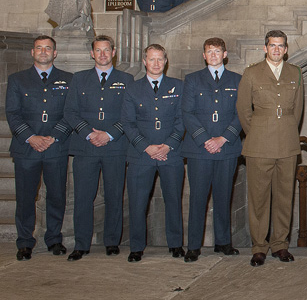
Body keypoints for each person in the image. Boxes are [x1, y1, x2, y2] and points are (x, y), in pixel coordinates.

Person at [62, 35, 133, 261]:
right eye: (98, 50)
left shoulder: (127, 79)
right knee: (83, 197)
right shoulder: (79, 79)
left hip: (115, 147)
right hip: (86, 147)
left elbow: (130, 114)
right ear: (92, 54)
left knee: (114, 196)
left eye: (106, 50)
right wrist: (89, 133)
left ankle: (112, 242)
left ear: (114, 52)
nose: (102, 54)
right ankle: (81, 244)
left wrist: (110, 133)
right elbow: (70, 112)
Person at [237, 30, 304, 267]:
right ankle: (259, 247)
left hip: (286, 143)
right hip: (259, 144)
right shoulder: (252, 73)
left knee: (285, 197)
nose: (276, 49)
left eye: (281, 46)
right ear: (265, 48)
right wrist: (257, 132)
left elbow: (297, 111)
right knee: (258, 199)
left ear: (286, 49)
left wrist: (285, 130)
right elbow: (244, 110)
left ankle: (280, 244)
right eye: (272, 45)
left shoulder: (295, 72)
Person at [5, 35, 73, 260]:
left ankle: (54, 239)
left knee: (56, 195)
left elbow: (70, 113)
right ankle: (25, 242)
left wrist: (53, 137)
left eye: (48, 48)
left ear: (55, 53)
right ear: (32, 52)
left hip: (56, 148)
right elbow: (12, 113)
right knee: (25, 197)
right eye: (39, 48)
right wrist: (30, 137)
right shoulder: (18, 79)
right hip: (26, 149)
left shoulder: (68, 79)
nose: (43, 52)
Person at [181, 37, 243, 262]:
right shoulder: (192, 80)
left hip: (227, 148)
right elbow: (187, 112)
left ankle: (223, 242)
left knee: (223, 196)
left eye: (218, 51)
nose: (214, 55)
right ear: (204, 55)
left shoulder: (237, 80)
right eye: (209, 52)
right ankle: (194, 246)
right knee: (198, 197)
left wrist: (224, 138)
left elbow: (242, 113)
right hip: (200, 149)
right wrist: (206, 139)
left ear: (225, 54)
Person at [121, 44, 184, 262]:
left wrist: (168, 145)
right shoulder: (132, 88)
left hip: (171, 154)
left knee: (173, 200)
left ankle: (175, 244)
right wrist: (146, 147)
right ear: (144, 62)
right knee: (138, 202)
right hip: (141, 155)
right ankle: (137, 246)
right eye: (151, 59)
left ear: (166, 61)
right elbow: (127, 123)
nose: (156, 64)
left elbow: (182, 120)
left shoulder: (178, 86)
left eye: (160, 59)